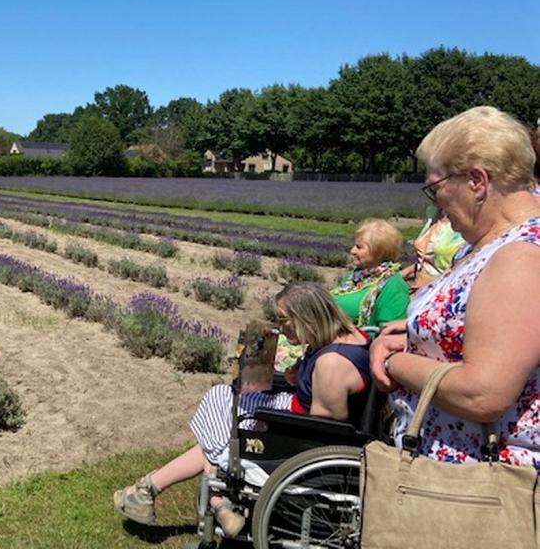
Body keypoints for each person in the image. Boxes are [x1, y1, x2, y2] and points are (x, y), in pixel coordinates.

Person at [113, 282, 370, 537]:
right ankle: (155, 492)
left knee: (221, 415)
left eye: (283, 319)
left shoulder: (331, 364)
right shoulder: (347, 339)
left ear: (306, 317)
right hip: (297, 412)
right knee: (223, 399)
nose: (279, 327)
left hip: (297, 433)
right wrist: (298, 376)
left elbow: (324, 427)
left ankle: (207, 498)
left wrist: (300, 386)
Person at [371, 106, 540, 469]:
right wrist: (414, 336)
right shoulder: (481, 243)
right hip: (446, 477)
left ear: (477, 181)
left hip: (475, 495)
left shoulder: (521, 257)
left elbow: (483, 392)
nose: (439, 207)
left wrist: (393, 362)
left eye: (436, 189)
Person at [330, 218, 410, 330]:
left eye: (359, 247)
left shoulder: (393, 286)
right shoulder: (353, 275)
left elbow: (389, 333)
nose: (352, 251)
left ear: (379, 252)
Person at [399, 206, 465, 293]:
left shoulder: (468, 223)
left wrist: (431, 287)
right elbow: (425, 261)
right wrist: (397, 277)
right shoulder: (435, 212)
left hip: (441, 291)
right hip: (418, 285)